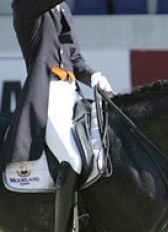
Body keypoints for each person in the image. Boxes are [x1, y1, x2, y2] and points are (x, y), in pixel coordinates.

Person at [1, 1, 113, 231]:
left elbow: (74, 56)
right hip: (47, 94)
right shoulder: (26, 5)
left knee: (101, 154)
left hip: (71, 93)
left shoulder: (61, 8)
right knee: (70, 160)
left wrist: (94, 77)